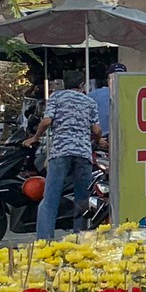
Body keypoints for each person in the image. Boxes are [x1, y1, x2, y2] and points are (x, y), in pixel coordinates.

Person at [27, 69, 105, 241]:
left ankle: (44, 240)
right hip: (83, 153)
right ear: (82, 85)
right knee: (82, 199)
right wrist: (96, 140)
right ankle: (79, 237)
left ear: (64, 83)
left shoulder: (56, 97)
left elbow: (47, 121)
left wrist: (35, 137)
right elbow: (97, 129)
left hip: (60, 152)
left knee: (50, 198)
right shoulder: (89, 101)